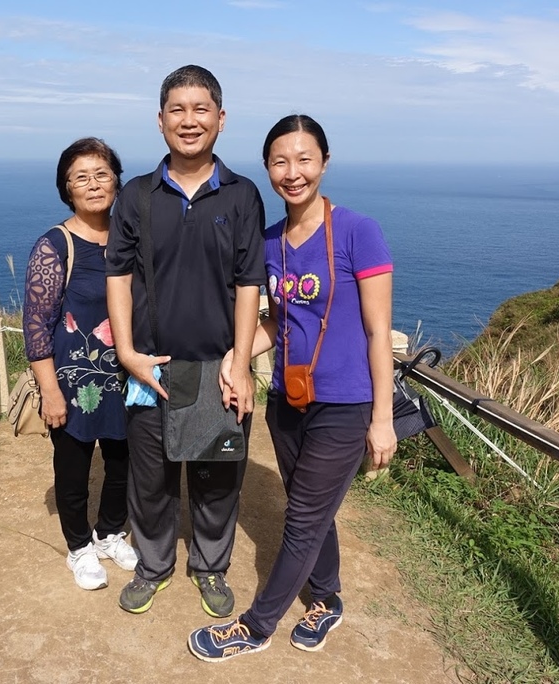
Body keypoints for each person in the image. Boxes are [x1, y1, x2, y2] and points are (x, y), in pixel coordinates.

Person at [187, 114, 397, 661]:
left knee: (302, 517)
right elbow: (279, 322)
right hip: (287, 398)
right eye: (280, 161)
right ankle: (326, 597)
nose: (293, 172)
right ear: (267, 168)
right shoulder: (270, 241)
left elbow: (379, 332)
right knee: (311, 508)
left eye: (304, 159)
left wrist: (382, 419)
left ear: (324, 162)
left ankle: (255, 627)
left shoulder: (358, 231)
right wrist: (235, 359)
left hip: (345, 402)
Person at [106, 65, 266, 616]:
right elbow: (118, 276)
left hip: (218, 367)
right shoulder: (137, 196)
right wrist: (127, 354)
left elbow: (249, 282)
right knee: (150, 478)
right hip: (152, 368)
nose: (189, 120)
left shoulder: (242, 196)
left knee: (217, 478)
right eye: (177, 109)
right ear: (160, 120)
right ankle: (153, 567)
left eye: (201, 109)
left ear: (221, 118)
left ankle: (210, 567)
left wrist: (239, 364)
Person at [23, 137, 138, 591]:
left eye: (101, 174)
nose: (93, 184)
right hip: (72, 381)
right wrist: (50, 391)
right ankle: (78, 546)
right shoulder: (56, 244)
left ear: (116, 181)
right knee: (72, 468)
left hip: (126, 377)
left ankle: (110, 533)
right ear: (66, 188)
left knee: (123, 461)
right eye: (80, 178)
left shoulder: (130, 239)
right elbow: (36, 324)